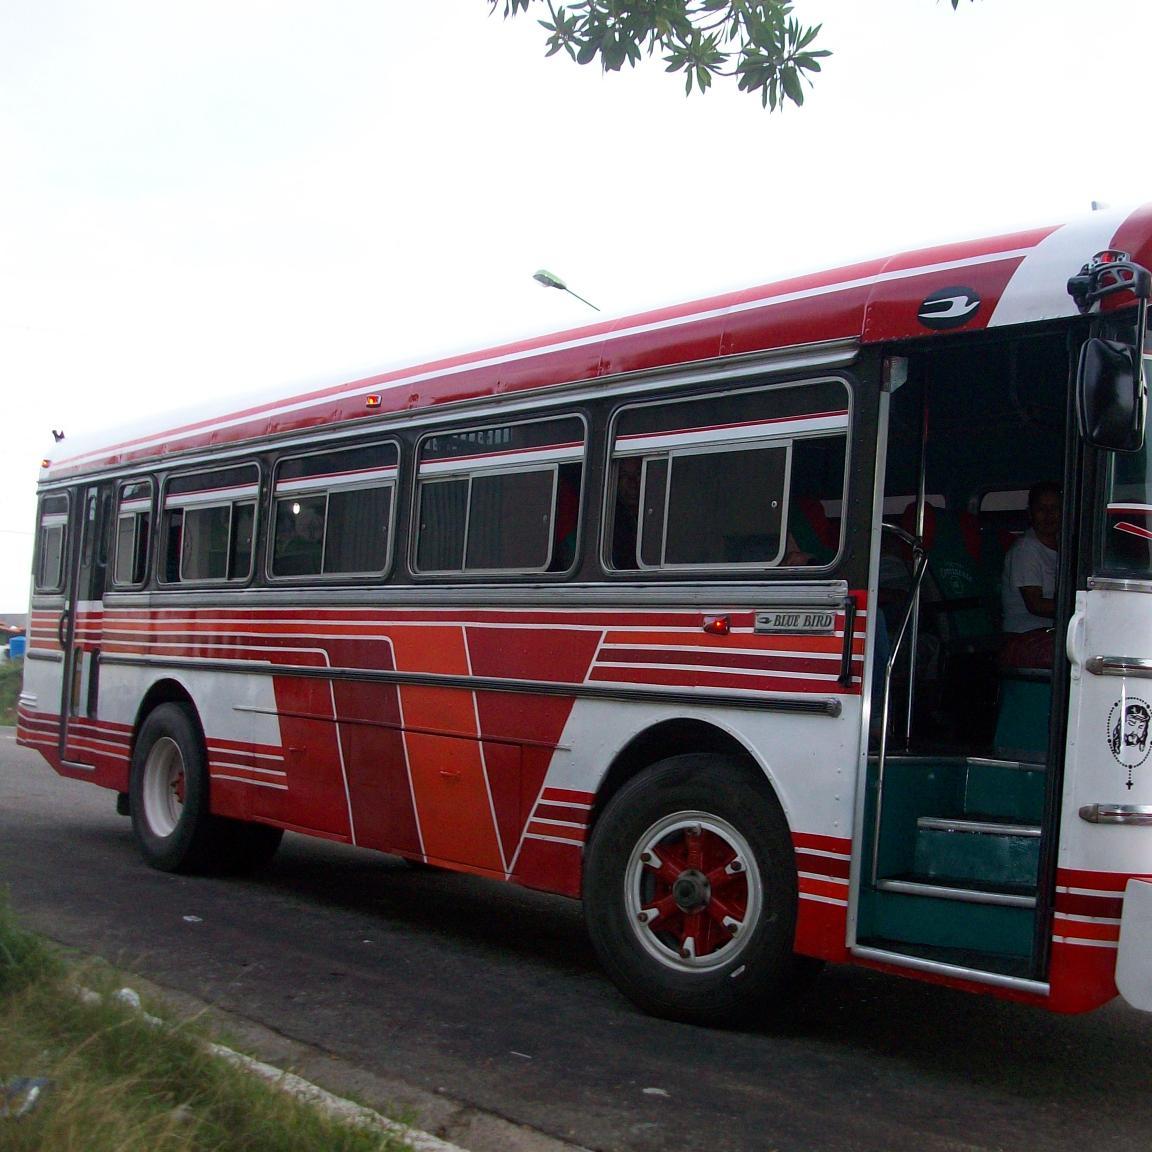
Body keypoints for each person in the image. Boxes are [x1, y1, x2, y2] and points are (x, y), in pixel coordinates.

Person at [1000, 481, 1061, 668]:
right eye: (1041, 509)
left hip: (1052, 631)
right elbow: (1036, 605)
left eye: (1054, 508)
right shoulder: (1026, 549)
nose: (1048, 515)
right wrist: (1078, 608)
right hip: (1026, 636)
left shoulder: (1065, 546)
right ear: (1030, 513)